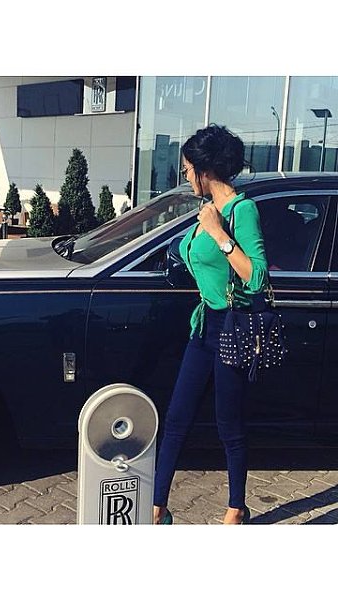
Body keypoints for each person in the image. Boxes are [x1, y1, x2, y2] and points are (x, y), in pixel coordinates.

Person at [153, 124, 268, 525]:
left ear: (205, 170)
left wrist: (219, 234)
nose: (185, 176)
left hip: (232, 327)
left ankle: (236, 508)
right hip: (203, 328)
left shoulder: (240, 211)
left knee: (228, 425)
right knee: (176, 419)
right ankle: (157, 507)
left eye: (187, 169)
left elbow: (256, 277)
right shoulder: (205, 211)